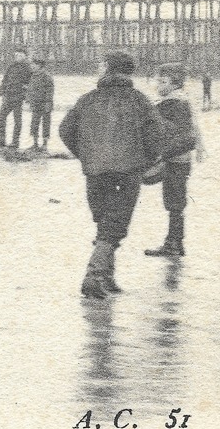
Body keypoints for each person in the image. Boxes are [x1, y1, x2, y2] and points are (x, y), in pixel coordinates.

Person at [57, 52, 163, 299]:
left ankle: (106, 276)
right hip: (129, 171)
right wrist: (145, 160)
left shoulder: (87, 100)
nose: (97, 68)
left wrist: (86, 155)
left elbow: (65, 129)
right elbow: (156, 135)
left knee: (104, 221)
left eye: (100, 65)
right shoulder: (139, 100)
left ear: (108, 69)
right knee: (115, 224)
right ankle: (94, 276)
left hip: (95, 171)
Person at [142, 63, 204, 258]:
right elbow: (192, 129)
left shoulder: (173, 104)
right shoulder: (180, 101)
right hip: (179, 160)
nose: (158, 85)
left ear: (175, 84)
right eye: (157, 81)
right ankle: (175, 241)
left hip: (174, 160)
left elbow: (181, 135)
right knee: (175, 201)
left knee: (174, 201)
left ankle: (174, 243)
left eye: (163, 82)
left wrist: (160, 154)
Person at [0, 47, 32, 149]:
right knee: (1, 117)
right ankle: (2, 140)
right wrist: (2, 92)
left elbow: (32, 82)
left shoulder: (28, 68)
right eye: (16, 55)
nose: (18, 57)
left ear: (25, 56)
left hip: (18, 97)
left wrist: (26, 93)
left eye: (20, 55)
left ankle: (15, 142)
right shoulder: (11, 66)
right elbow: (5, 80)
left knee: (17, 120)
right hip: (8, 96)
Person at [24, 57, 56, 151]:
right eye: (31, 65)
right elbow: (30, 89)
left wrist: (48, 103)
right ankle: (35, 144)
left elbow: (50, 91)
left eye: (33, 64)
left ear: (39, 65)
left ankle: (45, 145)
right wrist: (28, 99)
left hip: (45, 103)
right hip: (35, 103)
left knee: (46, 124)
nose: (31, 66)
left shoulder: (46, 76)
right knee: (34, 123)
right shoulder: (33, 75)